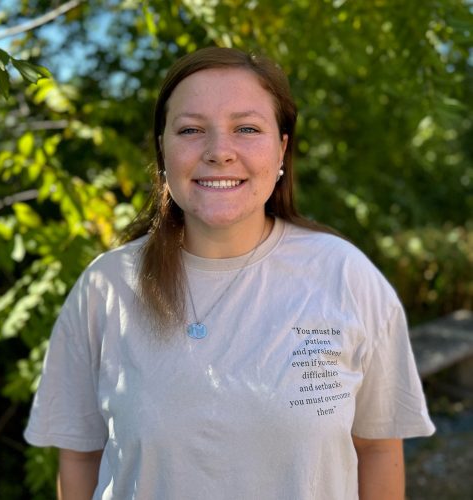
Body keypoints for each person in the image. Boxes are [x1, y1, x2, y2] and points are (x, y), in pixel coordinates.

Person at [24, 46, 435, 500]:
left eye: (246, 128)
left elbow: (378, 449)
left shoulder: (346, 276)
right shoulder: (106, 287)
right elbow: (80, 456)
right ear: (162, 148)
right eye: (191, 130)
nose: (220, 152)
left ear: (281, 147)